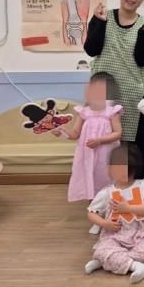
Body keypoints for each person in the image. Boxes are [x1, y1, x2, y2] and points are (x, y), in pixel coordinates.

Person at [84, 0, 144, 177]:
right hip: (105, 92)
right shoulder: (102, 16)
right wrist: (99, 23)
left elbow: (142, 60)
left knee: (134, 145)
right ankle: (104, 186)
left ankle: (136, 186)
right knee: (103, 140)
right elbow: (91, 50)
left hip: (135, 93)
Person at [84, 145, 144, 284]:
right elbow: (91, 213)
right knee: (102, 248)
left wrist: (128, 207)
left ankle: (107, 260)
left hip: (139, 236)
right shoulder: (107, 192)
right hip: (114, 235)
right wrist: (105, 223)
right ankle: (135, 266)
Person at [52, 72, 122, 204]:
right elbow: (74, 133)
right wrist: (61, 131)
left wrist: (100, 140)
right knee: (90, 177)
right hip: (87, 154)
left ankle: (110, 206)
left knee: (105, 177)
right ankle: (94, 207)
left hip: (106, 153)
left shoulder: (112, 110)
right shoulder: (84, 111)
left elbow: (118, 133)